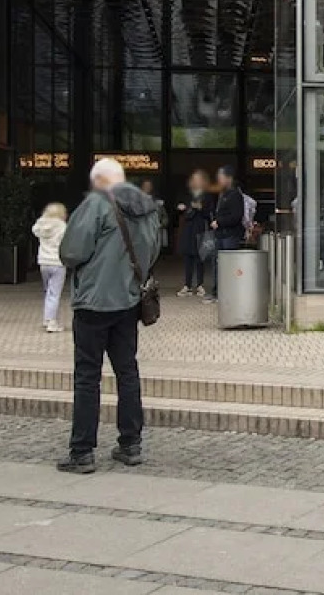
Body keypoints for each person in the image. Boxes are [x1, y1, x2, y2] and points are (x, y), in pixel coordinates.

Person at [57, 158, 162, 474]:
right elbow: (153, 250)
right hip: (129, 301)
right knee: (127, 372)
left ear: (99, 181)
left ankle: (82, 451)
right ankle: (130, 444)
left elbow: (71, 251)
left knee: (87, 376)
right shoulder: (147, 208)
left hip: (94, 302)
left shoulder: (96, 204)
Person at [202, 168, 258, 304]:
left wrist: (219, 222)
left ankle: (228, 292)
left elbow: (236, 216)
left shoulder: (234, 195)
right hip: (221, 234)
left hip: (230, 235)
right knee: (217, 264)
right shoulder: (223, 194)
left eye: (221, 177)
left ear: (229, 178)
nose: (219, 180)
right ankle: (216, 291)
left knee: (228, 265)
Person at [176, 170, 215, 296]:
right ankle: (187, 285)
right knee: (188, 257)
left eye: (199, 179)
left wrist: (200, 208)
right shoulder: (186, 195)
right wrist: (183, 208)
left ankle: (200, 285)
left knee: (200, 257)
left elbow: (210, 212)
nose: (196, 182)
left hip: (200, 228)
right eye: (194, 179)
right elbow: (179, 209)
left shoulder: (207, 196)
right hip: (188, 228)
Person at [34, 202, 69, 333]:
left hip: (43, 261)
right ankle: (52, 322)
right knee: (54, 293)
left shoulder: (41, 225)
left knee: (47, 291)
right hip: (57, 262)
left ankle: (46, 318)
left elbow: (35, 232)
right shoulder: (62, 226)